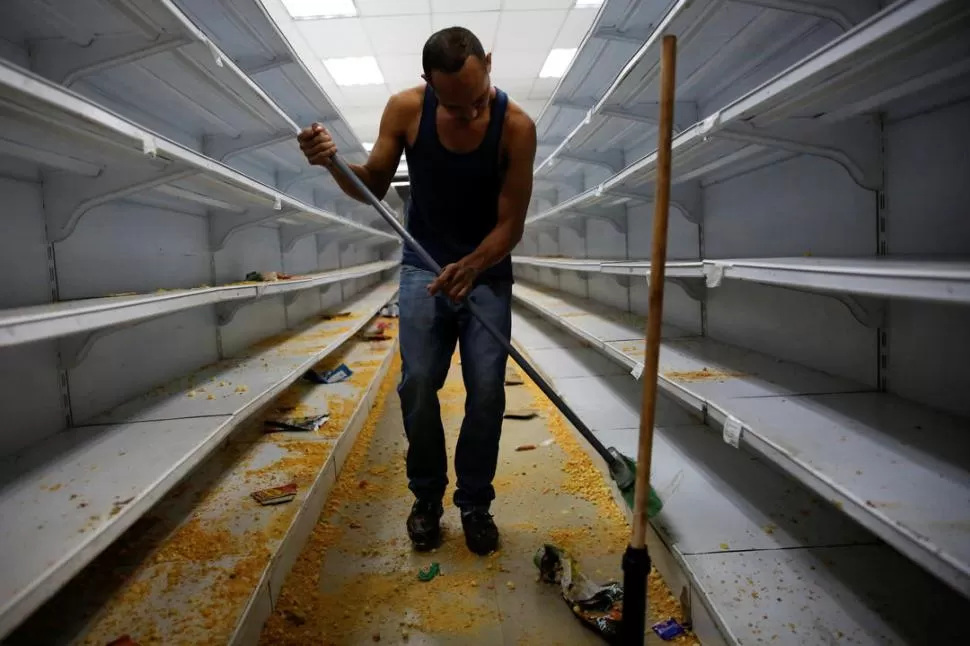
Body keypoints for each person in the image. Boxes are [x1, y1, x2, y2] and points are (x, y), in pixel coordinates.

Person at [297, 26, 536, 555]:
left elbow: (512, 224)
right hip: (421, 268)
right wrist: (332, 162)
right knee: (418, 383)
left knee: (488, 392)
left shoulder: (516, 126)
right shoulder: (405, 110)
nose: (471, 113)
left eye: (477, 99)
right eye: (455, 105)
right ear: (427, 83)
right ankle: (427, 497)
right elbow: (372, 186)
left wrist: (473, 264)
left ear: (489, 64)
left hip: (487, 270)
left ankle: (475, 502)